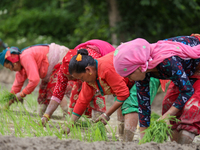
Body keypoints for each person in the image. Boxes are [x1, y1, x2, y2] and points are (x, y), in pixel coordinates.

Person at [113, 34, 200, 144]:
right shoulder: (144, 68)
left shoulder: (167, 62)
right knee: (168, 105)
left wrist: (167, 116)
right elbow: (143, 104)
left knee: (191, 109)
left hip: (197, 64)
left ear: (139, 68)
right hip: (186, 72)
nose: (129, 79)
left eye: (129, 76)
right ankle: (177, 145)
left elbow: (187, 90)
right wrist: (144, 140)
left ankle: (184, 145)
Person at [41, 39, 115, 125]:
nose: (70, 80)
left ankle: (98, 123)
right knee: (77, 92)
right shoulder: (63, 69)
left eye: (71, 78)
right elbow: (58, 93)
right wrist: (46, 115)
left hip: (102, 61)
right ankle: (73, 121)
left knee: (96, 91)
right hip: (84, 71)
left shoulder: (93, 64)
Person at [0, 44, 69, 117]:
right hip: (49, 69)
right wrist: (6, 106)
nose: (11, 70)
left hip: (59, 58)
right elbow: (16, 87)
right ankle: (42, 116)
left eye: (11, 67)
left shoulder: (25, 57)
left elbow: (34, 80)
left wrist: (22, 94)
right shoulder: (21, 69)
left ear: (14, 61)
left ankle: (66, 115)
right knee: (43, 92)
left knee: (55, 88)